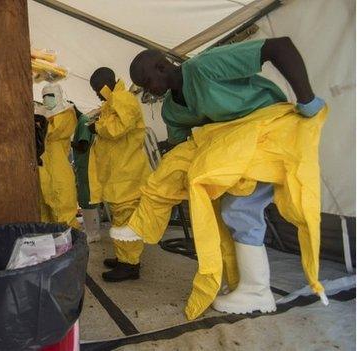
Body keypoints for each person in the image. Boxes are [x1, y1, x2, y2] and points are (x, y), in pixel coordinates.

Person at [128, 37, 326, 316]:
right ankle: (242, 283)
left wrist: (307, 99)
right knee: (226, 212)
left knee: (240, 208)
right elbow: (183, 147)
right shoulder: (171, 110)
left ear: (162, 66)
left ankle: (257, 291)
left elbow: (279, 46)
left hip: (267, 131)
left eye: (148, 82)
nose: (149, 91)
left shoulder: (205, 66)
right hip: (233, 149)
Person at [88, 68, 151, 282]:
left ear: (104, 85)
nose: (97, 94)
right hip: (119, 173)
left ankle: (130, 265)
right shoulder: (114, 101)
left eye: (97, 90)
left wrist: (96, 127)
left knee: (126, 218)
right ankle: (124, 257)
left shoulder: (123, 98)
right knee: (120, 216)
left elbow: (117, 128)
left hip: (127, 173)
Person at [38, 84, 80, 229]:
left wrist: (40, 125)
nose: (46, 100)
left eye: (49, 96)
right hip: (44, 168)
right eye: (44, 97)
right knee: (45, 211)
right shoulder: (43, 116)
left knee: (64, 209)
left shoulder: (66, 114)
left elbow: (52, 132)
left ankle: (71, 245)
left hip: (59, 168)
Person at [69, 102, 100, 243]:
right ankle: (92, 231)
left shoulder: (83, 121)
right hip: (83, 165)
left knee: (88, 199)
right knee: (85, 199)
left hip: (87, 165)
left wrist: (66, 142)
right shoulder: (80, 122)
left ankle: (92, 233)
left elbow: (83, 145)